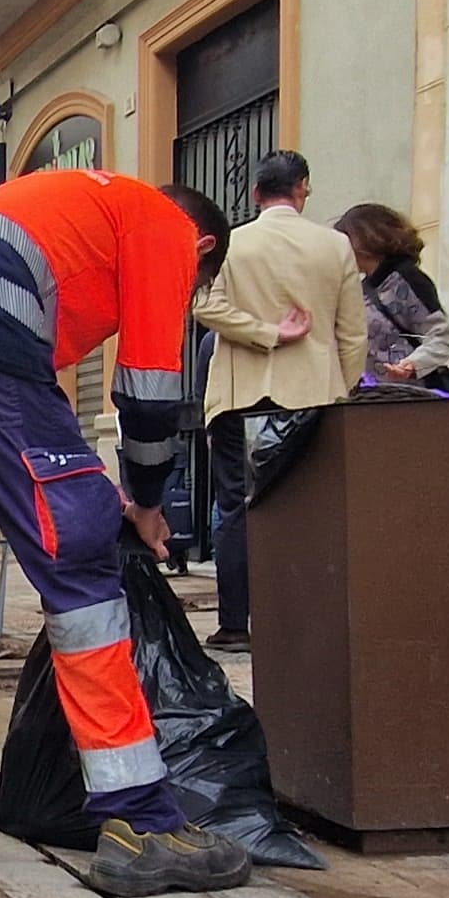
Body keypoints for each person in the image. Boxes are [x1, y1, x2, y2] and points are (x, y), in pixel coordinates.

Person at [0, 164, 254, 897]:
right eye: (197, 291)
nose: (188, 302)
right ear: (199, 248)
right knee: (78, 563)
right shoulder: (163, 225)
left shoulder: (75, 211)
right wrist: (143, 498)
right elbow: (147, 388)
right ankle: (141, 822)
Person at [190, 151, 369, 650]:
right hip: (313, 397)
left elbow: (204, 305)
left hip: (238, 394)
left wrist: (264, 333)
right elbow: (353, 334)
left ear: (255, 195)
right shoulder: (335, 248)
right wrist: (342, 386)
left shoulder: (233, 245)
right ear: (302, 188)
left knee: (235, 508)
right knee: (309, 507)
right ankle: (306, 617)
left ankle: (234, 624)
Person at [334, 202, 449, 395]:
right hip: (376, 398)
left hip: (411, 398)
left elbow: (441, 337)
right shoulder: (363, 287)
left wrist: (411, 365)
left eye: (345, 241)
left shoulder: (406, 279)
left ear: (365, 239)